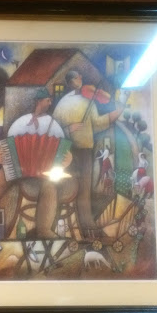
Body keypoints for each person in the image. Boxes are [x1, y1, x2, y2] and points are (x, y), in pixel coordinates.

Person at [0, 89, 71, 239]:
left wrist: (67, 159)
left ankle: (44, 229)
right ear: (39, 101)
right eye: (47, 100)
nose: (49, 103)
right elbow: (7, 146)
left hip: (46, 171)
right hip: (17, 165)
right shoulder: (21, 122)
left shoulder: (54, 125)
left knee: (50, 189)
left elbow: (63, 151)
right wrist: (0, 155)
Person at [52, 70, 125, 237]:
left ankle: (87, 225)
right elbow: (54, 128)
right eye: (78, 77)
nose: (81, 78)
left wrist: (117, 111)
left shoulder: (89, 100)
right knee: (64, 186)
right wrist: (68, 129)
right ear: (72, 81)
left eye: (80, 76)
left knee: (85, 189)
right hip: (65, 150)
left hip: (85, 149)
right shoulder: (63, 102)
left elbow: (98, 124)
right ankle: (59, 227)